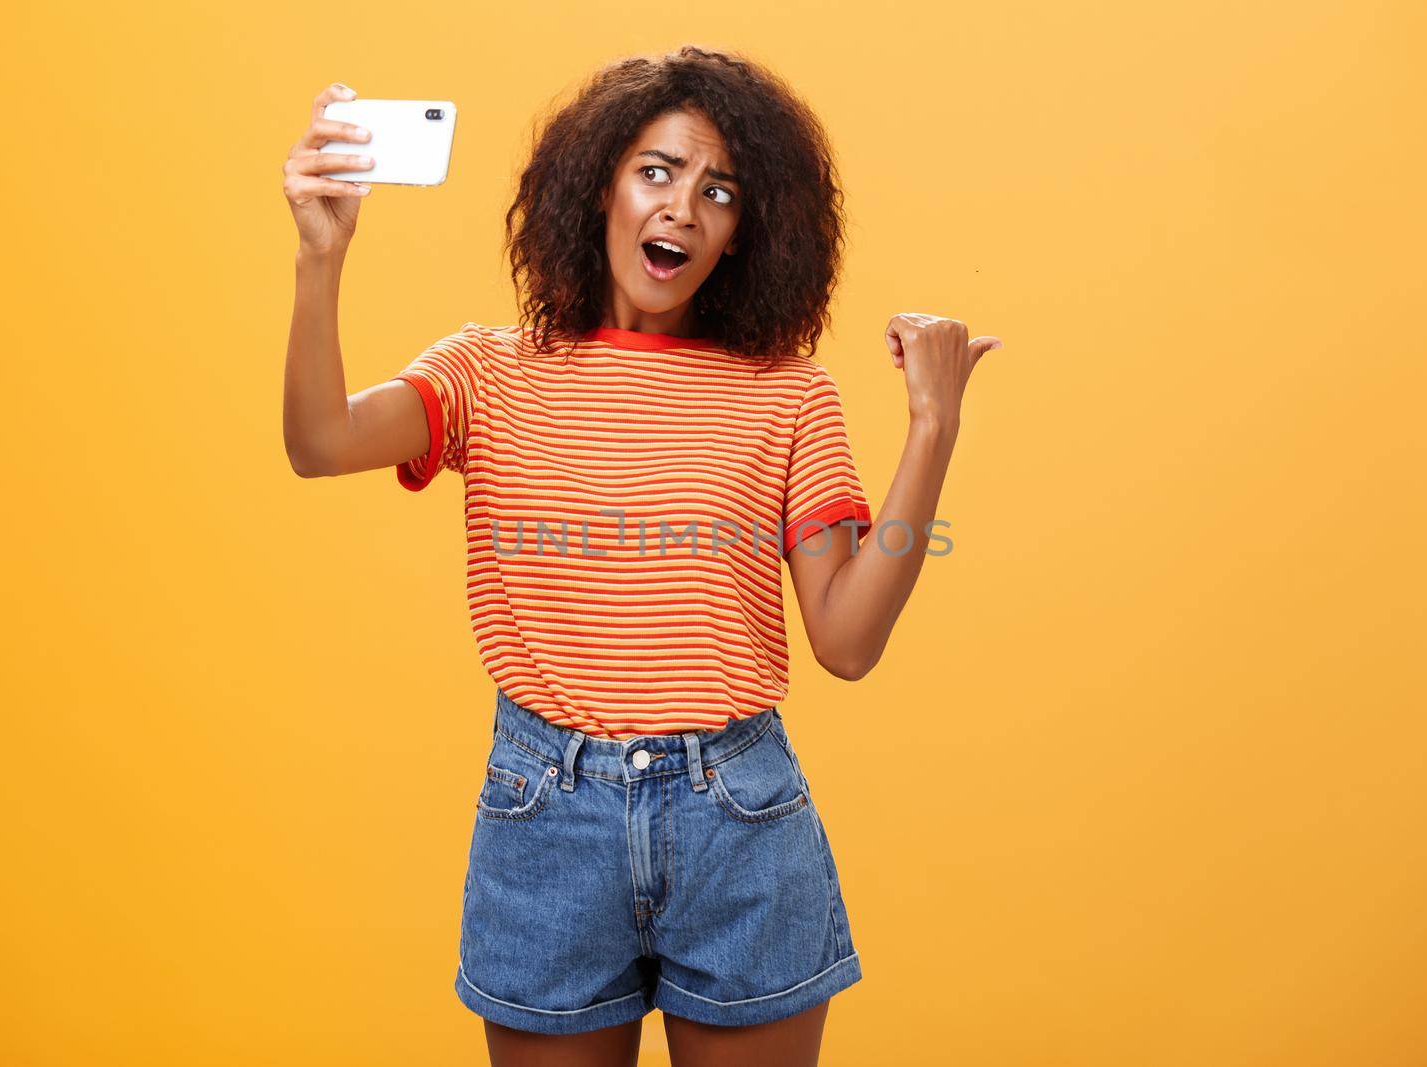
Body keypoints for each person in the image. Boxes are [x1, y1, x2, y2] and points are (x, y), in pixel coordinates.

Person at [280, 45, 1001, 1067]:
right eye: (656, 172)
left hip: (738, 821)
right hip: (545, 818)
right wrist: (321, 258)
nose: (682, 210)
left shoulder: (787, 395)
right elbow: (319, 442)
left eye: (719, 192)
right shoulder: (489, 370)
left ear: (744, 236)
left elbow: (846, 639)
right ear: (598, 186)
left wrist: (933, 425)